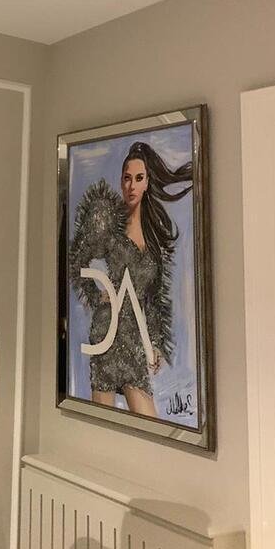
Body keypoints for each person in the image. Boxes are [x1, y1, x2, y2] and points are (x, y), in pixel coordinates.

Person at [69, 141, 192, 417]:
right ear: (120, 181)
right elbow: (77, 260)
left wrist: (155, 343)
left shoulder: (154, 235)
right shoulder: (107, 221)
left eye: (138, 178)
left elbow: (154, 298)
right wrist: (96, 293)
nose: (131, 186)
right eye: (127, 178)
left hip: (135, 339)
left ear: (147, 182)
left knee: (148, 421)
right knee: (103, 421)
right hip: (107, 332)